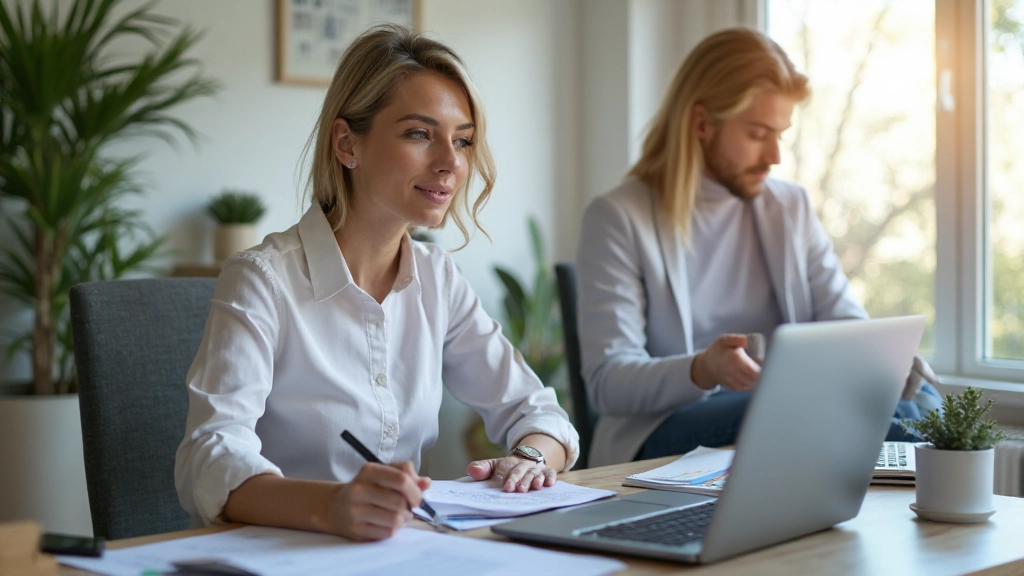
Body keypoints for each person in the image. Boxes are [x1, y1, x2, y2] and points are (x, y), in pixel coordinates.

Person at [175, 25, 579, 542]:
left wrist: (528, 458)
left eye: (462, 140)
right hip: (279, 554)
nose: (451, 163)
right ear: (347, 143)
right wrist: (331, 507)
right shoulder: (261, 279)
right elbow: (209, 457)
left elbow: (537, 411)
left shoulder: (438, 278)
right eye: (419, 134)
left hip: (399, 551)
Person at [576, 27, 940, 468]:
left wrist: (884, 361)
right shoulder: (618, 217)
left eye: (779, 135)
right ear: (702, 124)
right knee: (892, 422)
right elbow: (608, 381)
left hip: (785, 407)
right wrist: (702, 369)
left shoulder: (790, 207)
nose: (774, 156)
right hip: (665, 425)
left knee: (922, 399)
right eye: (757, 134)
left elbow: (845, 323)